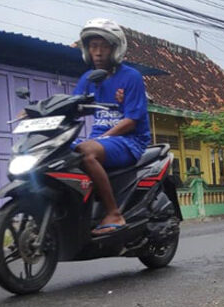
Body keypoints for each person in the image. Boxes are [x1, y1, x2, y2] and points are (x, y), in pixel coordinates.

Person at [72, 18, 151, 235]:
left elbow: (132, 120)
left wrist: (104, 137)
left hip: (129, 141)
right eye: (92, 46)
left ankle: (114, 213)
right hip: (102, 141)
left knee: (86, 153)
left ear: (115, 49)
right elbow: (71, 106)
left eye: (103, 46)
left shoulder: (131, 76)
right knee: (58, 153)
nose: (97, 52)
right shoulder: (89, 78)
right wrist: (37, 110)